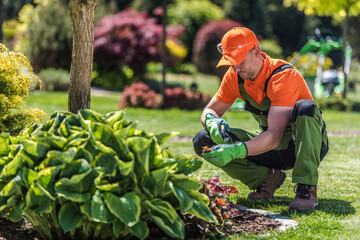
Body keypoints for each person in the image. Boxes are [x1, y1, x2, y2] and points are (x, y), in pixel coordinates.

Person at [193, 27, 329, 211]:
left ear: (256, 51)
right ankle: (266, 178)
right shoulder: (235, 76)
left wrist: (236, 150)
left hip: (302, 146)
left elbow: (275, 136)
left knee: (307, 108)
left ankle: (307, 188)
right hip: (271, 147)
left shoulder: (282, 76)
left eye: (239, 60)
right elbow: (210, 110)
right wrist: (211, 120)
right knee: (203, 139)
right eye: (231, 61)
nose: (236, 67)